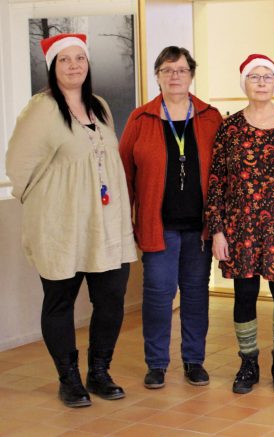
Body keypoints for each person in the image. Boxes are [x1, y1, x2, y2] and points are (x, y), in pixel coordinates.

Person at [5, 33, 136, 407]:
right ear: (53, 67)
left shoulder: (101, 106)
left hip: (106, 227)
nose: (74, 65)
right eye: (65, 60)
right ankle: (69, 379)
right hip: (61, 227)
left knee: (111, 300)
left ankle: (99, 372)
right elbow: (19, 166)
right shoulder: (41, 109)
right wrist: (51, 203)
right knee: (59, 301)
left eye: (80, 58)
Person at [206, 54, 274, 395]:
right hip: (240, 228)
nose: (261, 82)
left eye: (267, 76)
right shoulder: (230, 127)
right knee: (245, 294)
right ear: (244, 83)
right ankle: (248, 362)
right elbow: (216, 181)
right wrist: (217, 230)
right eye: (254, 77)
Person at [119, 47, 222, 390]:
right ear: (158, 76)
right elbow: (124, 177)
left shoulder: (210, 117)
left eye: (181, 69)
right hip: (157, 227)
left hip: (199, 229)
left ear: (192, 74)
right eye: (167, 70)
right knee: (159, 295)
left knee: (195, 295)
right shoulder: (140, 119)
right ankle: (157, 364)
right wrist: (124, 223)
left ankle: (194, 361)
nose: (174, 75)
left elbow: (223, 175)